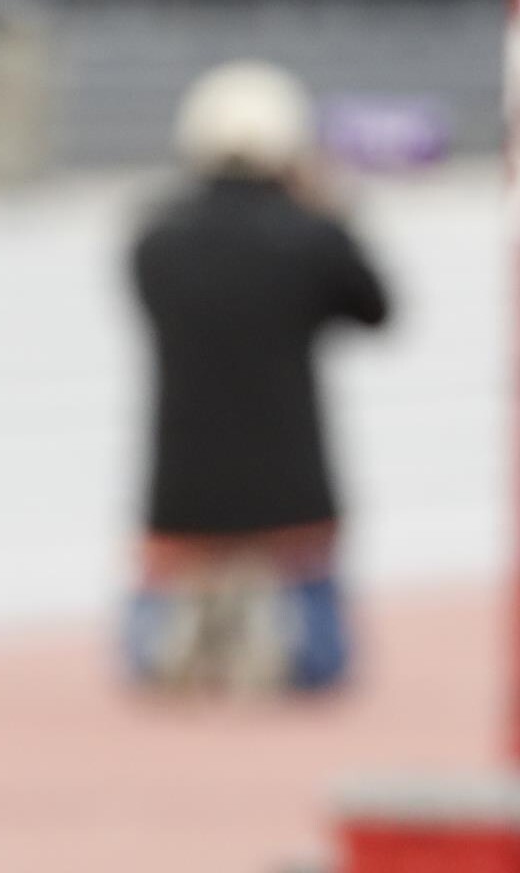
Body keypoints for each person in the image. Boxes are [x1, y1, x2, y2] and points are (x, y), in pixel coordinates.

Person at [126, 60, 389, 697]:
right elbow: (376, 311)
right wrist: (332, 210)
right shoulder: (314, 237)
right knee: (323, 668)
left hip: (184, 487)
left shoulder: (156, 241)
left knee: (142, 660)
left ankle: (195, 622)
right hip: (292, 490)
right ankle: (276, 634)